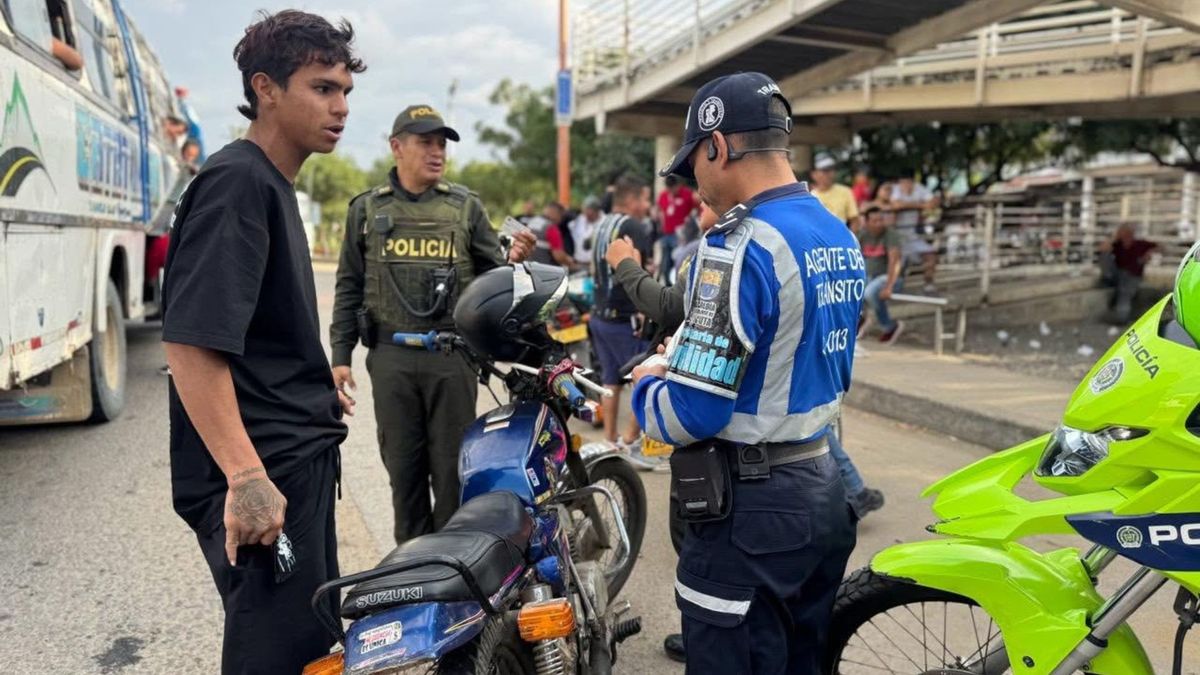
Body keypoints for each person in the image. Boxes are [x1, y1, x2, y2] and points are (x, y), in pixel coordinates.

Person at [634, 71, 860, 674]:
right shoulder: (836, 234)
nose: (698, 185)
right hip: (823, 485)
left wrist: (649, 382)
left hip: (752, 514)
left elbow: (693, 412)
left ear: (718, 146)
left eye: (695, 166)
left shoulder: (736, 246)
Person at [161, 11, 363, 673]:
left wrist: (310, 374)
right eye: (322, 88)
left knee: (309, 646)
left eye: (345, 92)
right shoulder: (238, 182)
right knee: (275, 656)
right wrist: (247, 477)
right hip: (264, 469)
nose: (339, 107)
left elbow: (254, 332)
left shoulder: (271, 183)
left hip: (292, 459)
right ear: (266, 88)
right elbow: (191, 343)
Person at [329, 104, 535, 545]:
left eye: (441, 143)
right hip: (391, 361)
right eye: (425, 142)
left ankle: (453, 578)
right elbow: (349, 284)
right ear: (396, 146)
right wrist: (340, 355)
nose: (436, 151)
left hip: (450, 359)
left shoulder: (465, 208)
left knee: (452, 478)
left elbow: (493, 280)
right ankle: (410, 576)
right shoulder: (366, 211)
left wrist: (513, 263)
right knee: (403, 477)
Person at [590, 174, 654, 458]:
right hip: (625, 318)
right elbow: (638, 269)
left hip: (599, 316)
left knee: (610, 379)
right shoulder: (632, 226)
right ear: (631, 199)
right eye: (644, 199)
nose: (647, 205)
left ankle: (610, 439)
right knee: (643, 375)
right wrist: (643, 311)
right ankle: (630, 440)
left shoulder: (601, 225)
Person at [859, 205, 906, 344]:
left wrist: (889, 286)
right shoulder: (862, 235)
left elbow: (894, 262)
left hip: (890, 277)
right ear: (866, 222)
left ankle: (890, 326)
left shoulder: (891, 235)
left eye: (881, 220)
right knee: (856, 289)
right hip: (869, 277)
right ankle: (861, 320)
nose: (879, 224)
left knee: (869, 293)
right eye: (875, 221)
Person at [1100, 222, 1158, 323]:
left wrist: (1149, 254)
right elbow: (1103, 248)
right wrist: (1114, 238)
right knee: (1105, 255)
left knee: (1125, 291)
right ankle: (1107, 279)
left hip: (1133, 276)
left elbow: (1160, 247)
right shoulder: (1117, 245)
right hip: (1117, 274)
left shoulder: (1140, 244)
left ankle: (1122, 317)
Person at [890, 174, 939, 292]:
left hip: (912, 236)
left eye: (908, 182)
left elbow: (933, 203)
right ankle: (893, 288)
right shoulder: (895, 189)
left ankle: (928, 284)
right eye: (903, 182)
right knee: (896, 263)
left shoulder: (919, 188)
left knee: (930, 255)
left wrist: (910, 205)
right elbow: (896, 205)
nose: (906, 185)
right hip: (895, 236)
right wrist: (920, 205)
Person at [656, 174, 700, 280]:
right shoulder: (663, 195)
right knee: (665, 264)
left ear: (678, 185)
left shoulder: (687, 194)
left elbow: (698, 207)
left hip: (681, 236)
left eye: (673, 187)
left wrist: (692, 220)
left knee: (678, 262)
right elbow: (661, 211)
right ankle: (666, 285)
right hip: (666, 234)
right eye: (669, 188)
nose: (671, 190)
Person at [810, 153, 860, 229]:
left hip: (841, 237)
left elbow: (855, 221)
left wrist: (849, 239)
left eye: (832, 169)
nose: (830, 174)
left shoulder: (845, 192)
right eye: (825, 170)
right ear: (814, 174)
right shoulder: (811, 196)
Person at [569, 196, 603, 266]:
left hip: (596, 265)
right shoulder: (578, 220)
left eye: (589, 210)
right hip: (578, 263)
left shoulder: (604, 222)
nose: (586, 213)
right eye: (585, 210)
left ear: (596, 211)